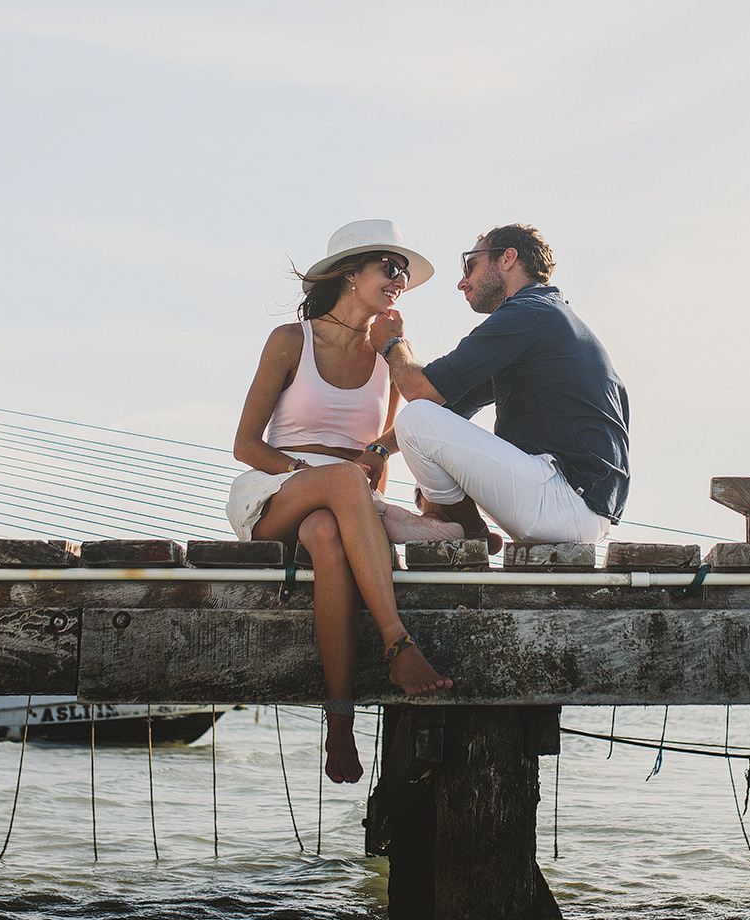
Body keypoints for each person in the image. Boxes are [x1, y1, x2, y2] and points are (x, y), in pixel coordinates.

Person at [228, 219, 459, 784]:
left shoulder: (388, 354)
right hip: (278, 489)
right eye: (389, 265)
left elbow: (402, 430)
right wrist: (316, 473)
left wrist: (377, 451)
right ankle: (396, 641)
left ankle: (338, 723)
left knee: (330, 536)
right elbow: (245, 445)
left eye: (404, 269)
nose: (399, 277)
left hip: (340, 504)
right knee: (343, 486)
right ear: (349, 273)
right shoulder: (291, 340)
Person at [369, 223, 629, 552]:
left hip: (564, 501)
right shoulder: (543, 317)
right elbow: (445, 409)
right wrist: (379, 450)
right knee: (421, 422)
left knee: (414, 417)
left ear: (507, 259)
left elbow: (420, 392)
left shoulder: (527, 314)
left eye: (471, 264)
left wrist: (392, 344)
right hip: (577, 507)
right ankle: (459, 525)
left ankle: (460, 526)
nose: (462, 282)